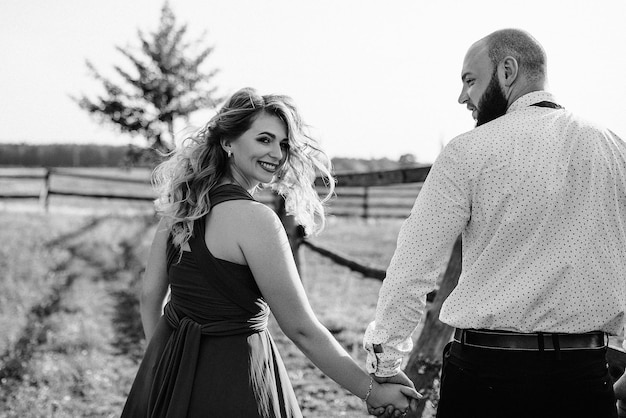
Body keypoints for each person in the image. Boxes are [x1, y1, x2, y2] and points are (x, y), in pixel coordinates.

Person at [363, 28, 626, 418]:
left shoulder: (467, 151)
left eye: (470, 80)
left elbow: (414, 265)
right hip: (585, 376)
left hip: (486, 376)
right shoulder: (614, 149)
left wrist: (384, 366)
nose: (462, 96)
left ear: (507, 71)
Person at [120, 87, 420, 417]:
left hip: (168, 376)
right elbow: (301, 329)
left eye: (283, 144)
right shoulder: (257, 220)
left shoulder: (180, 209)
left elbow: (150, 295)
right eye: (264, 139)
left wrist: (161, 364)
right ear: (227, 142)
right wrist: (370, 391)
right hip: (236, 380)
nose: (277, 153)